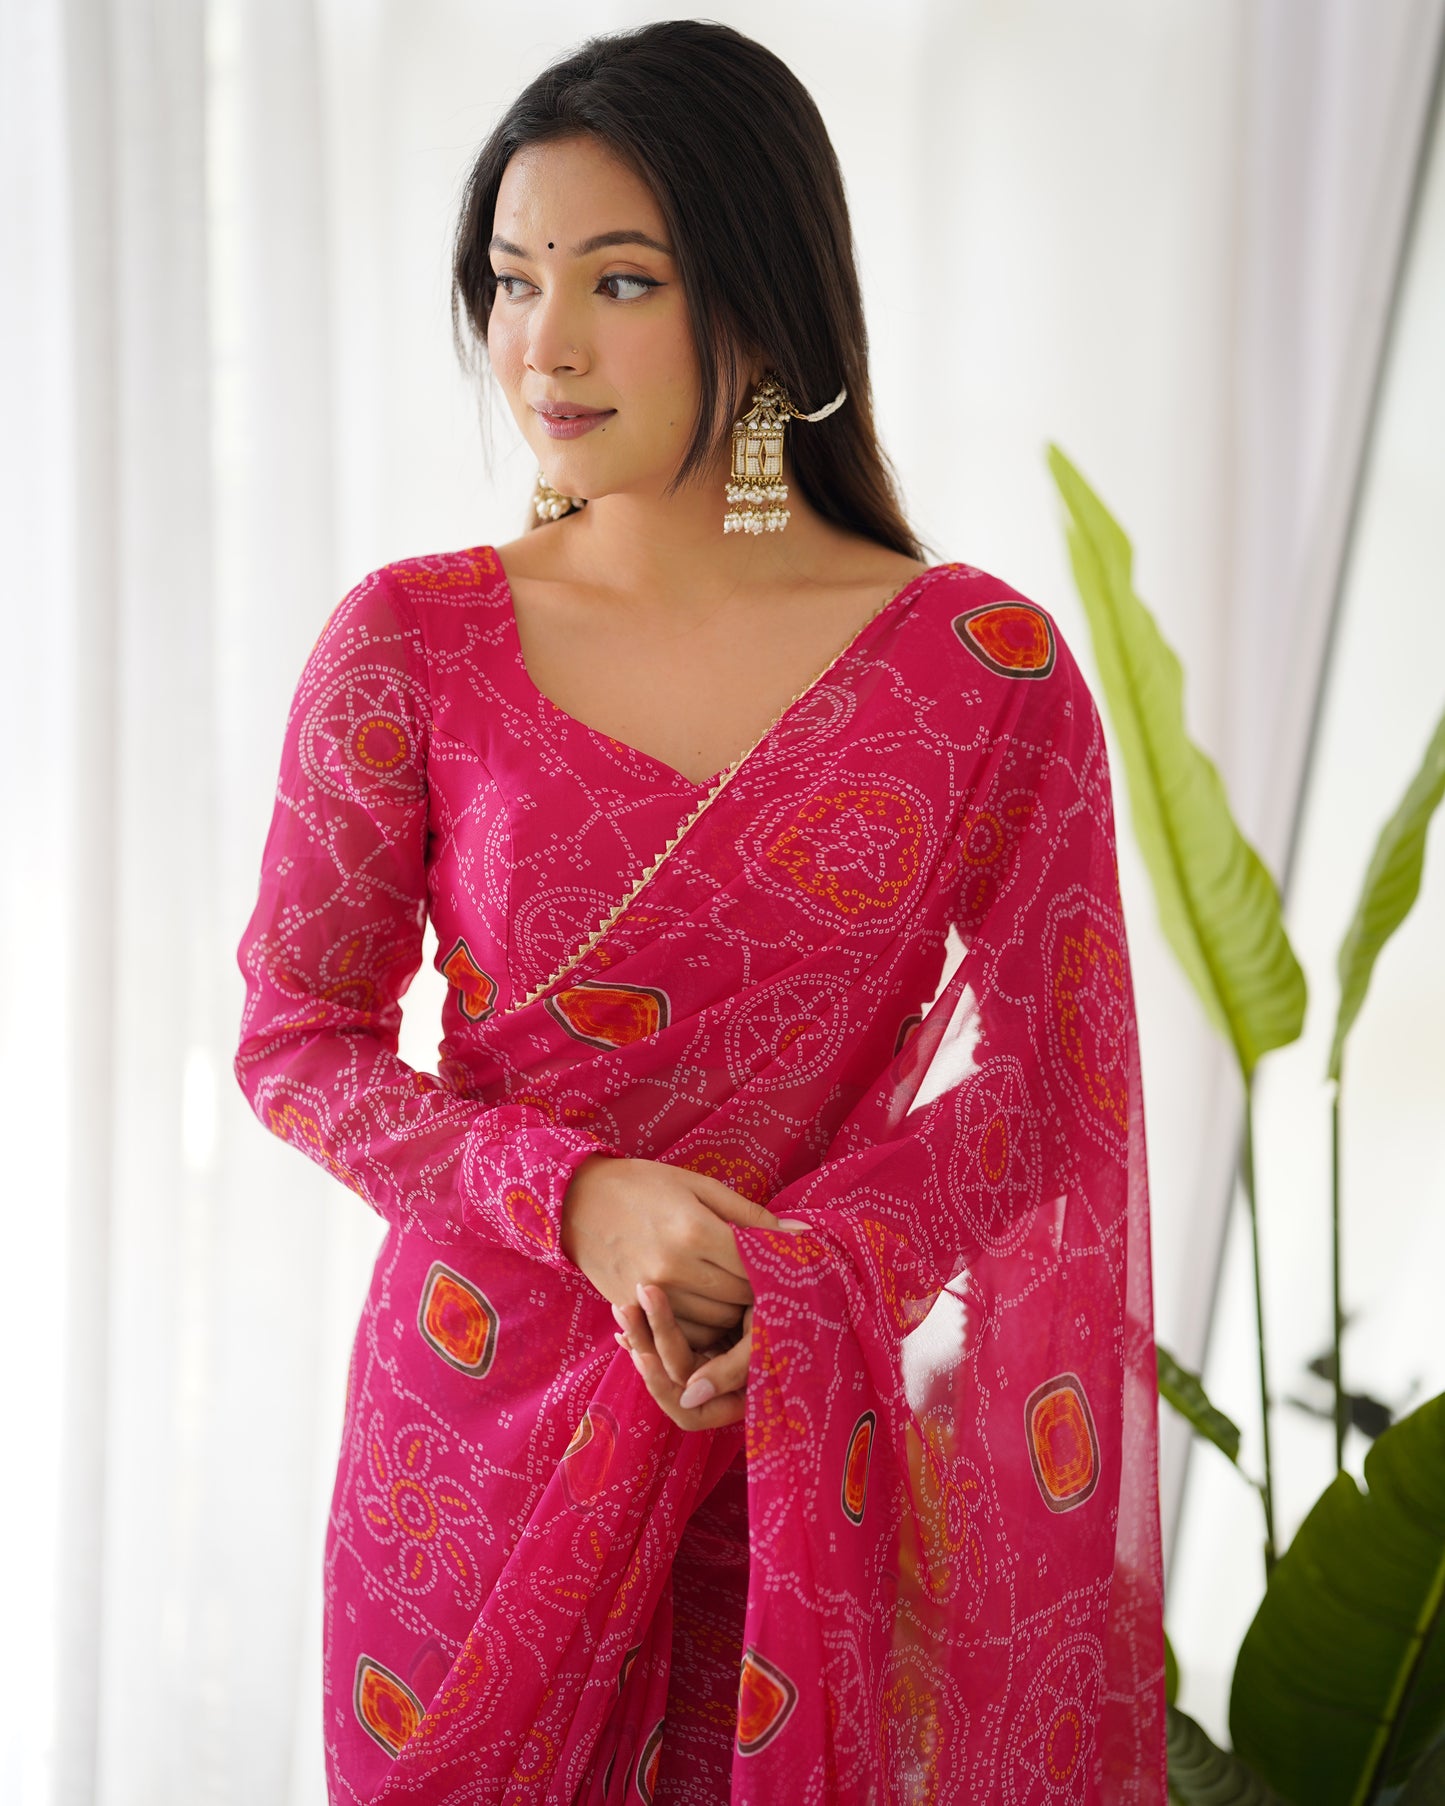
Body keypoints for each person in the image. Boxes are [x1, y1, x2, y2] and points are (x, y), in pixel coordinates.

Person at [234, 19, 1165, 1803]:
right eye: (511, 280)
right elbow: (298, 1041)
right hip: (477, 1459)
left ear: (758, 290)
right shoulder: (410, 642)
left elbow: (1055, 1080)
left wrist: (807, 1269)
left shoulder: (980, 674)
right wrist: (577, 1199)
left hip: (796, 1457)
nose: (542, 343)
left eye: (618, 280)